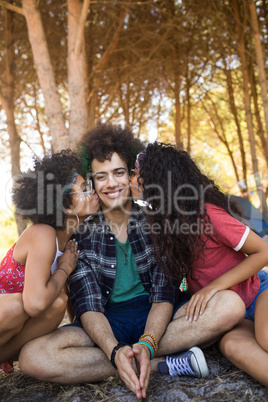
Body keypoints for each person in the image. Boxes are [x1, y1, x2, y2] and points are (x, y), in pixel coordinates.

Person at [19, 125, 245, 400]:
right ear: (92, 182)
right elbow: (88, 308)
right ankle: (158, 362)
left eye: (119, 173)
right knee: (33, 357)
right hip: (107, 322)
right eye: (101, 177)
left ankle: (141, 355)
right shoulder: (80, 235)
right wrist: (113, 350)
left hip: (159, 316)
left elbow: (164, 295)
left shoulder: (156, 223)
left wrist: (149, 342)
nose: (111, 184)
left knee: (229, 306)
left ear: (131, 175)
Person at [131, 141, 268, 387]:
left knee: (266, 338)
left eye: (135, 174)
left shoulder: (208, 215)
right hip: (228, 313)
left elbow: (263, 252)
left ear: (155, 183)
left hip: (257, 292)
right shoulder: (161, 224)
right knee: (233, 348)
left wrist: (212, 287)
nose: (130, 179)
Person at [0, 150, 99, 373]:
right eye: (84, 189)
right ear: (66, 205)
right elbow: (34, 304)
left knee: (57, 303)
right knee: (17, 306)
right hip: (6, 310)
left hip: (11, 334)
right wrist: (65, 267)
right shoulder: (43, 234)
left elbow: (67, 296)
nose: (93, 192)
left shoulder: (70, 241)